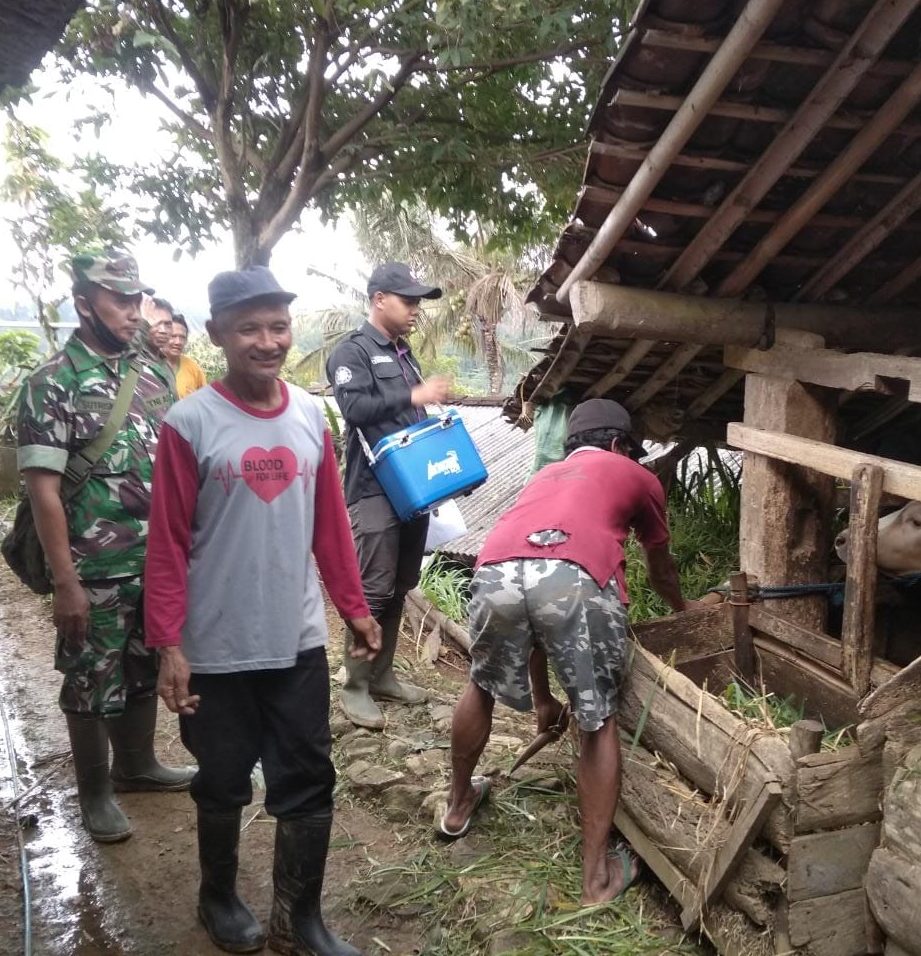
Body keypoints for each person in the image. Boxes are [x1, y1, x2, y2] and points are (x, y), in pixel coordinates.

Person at [145, 265, 381, 956]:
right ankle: (218, 895)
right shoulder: (190, 423)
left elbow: (330, 527)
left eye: (278, 326)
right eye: (249, 327)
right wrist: (168, 643)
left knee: (307, 780)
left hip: (296, 639)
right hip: (214, 643)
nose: (268, 340)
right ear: (218, 334)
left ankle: (299, 919)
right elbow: (165, 543)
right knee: (220, 780)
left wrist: (355, 608)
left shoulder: (311, 416)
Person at [442, 399, 700, 905]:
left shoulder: (544, 476)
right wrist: (684, 609)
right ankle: (595, 879)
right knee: (597, 720)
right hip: (576, 575)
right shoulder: (634, 474)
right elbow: (659, 569)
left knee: (481, 685)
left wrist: (543, 700)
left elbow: (533, 609)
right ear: (618, 445)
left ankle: (457, 806)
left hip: (494, 569)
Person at [16, 249, 193, 844]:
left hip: (157, 561)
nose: (132, 310)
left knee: (144, 664)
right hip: (92, 566)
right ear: (84, 304)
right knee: (91, 676)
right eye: (118, 299)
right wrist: (66, 584)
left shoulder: (152, 374)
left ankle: (137, 765)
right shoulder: (52, 384)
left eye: (136, 297)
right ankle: (94, 792)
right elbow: (44, 492)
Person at [326, 262, 450, 729]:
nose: (416, 309)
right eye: (408, 300)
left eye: (419, 301)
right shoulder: (351, 352)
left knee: (400, 584)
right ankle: (355, 684)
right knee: (372, 588)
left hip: (413, 485)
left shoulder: (404, 353)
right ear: (380, 299)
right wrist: (414, 396)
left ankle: (382, 675)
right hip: (373, 488)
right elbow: (354, 408)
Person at [164, 308, 209, 398]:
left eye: (182, 337)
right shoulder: (150, 366)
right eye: (173, 336)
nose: (178, 342)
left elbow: (205, 400)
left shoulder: (193, 368)